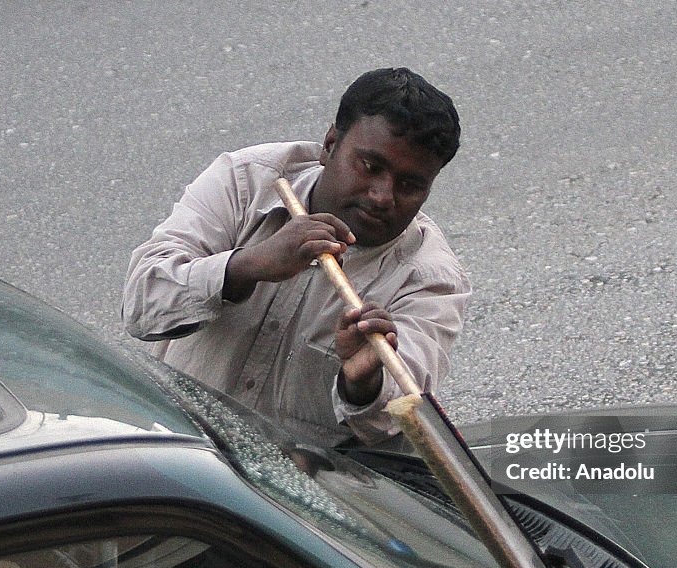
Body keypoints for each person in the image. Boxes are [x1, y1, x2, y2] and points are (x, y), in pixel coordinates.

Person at [123, 67, 470, 447]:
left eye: (410, 185)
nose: (382, 196)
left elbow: (401, 422)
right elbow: (141, 306)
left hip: (290, 495)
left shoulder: (430, 280)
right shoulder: (247, 181)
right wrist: (248, 265)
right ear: (330, 144)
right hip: (172, 449)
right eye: (370, 167)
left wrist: (363, 383)